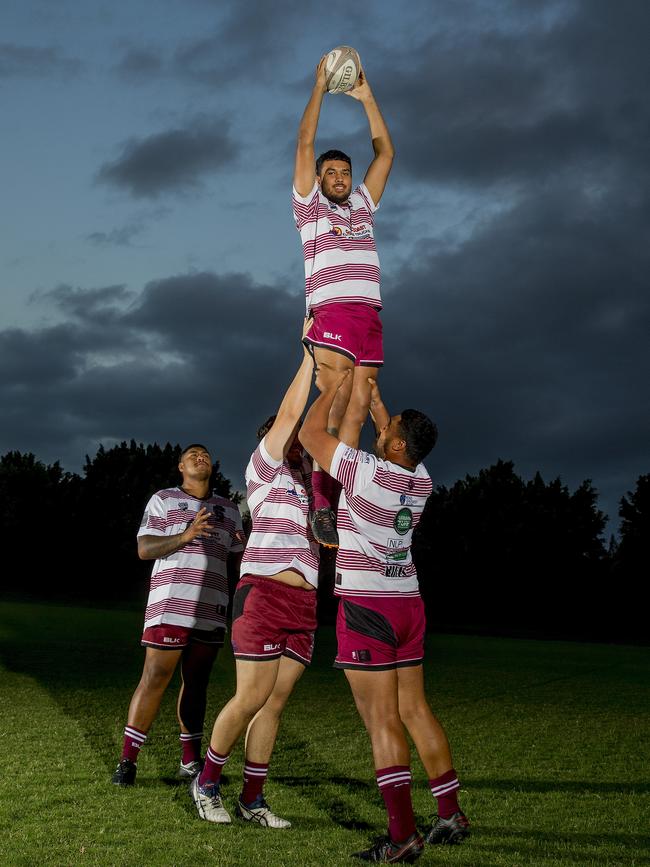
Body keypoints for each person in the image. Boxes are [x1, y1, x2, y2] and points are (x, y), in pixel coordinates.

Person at [299, 376, 469, 862]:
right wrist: (376, 404)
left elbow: (312, 437)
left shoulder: (365, 472)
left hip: (368, 606)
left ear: (395, 443)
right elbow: (393, 434)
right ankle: (451, 814)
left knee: (382, 721)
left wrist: (333, 389)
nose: (384, 424)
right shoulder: (421, 481)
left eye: (389, 425)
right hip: (407, 604)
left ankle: (402, 836)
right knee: (416, 710)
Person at [190, 331, 319, 829]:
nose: (296, 446)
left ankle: (253, 799)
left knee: (275, 703)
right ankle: (206, 784)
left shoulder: (312, 491)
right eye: (290, 440)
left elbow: (325, 428)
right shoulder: (264, 468)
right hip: (263, 593)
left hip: (303, 606)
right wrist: (310, 358)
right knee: (249, 697)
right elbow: (291, 416)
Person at [293, 54, 394, 547]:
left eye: (343, 171)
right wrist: (319, 87)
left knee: (357, 409)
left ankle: (341, 494)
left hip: (369, 313)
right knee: (332, 403)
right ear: (318, 177)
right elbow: (305, 141)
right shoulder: (308, 205)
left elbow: (387, 154)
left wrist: (366, 96)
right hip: (331, 311)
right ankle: (321, 504)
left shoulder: (361, 206)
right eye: (330, 171)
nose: (338, 176)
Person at [112, 444, 245, 787]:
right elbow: (145, 549)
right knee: (155, 678)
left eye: (205, 454)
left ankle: (190, 762)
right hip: (171, 605)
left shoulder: (229, 510)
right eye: (192, 455)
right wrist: (186, 535)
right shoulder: (164, 499)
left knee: (197, 684)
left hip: (212, 607)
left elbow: (238, 562)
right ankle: (128, 761)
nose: (200, 457)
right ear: (180, 466)